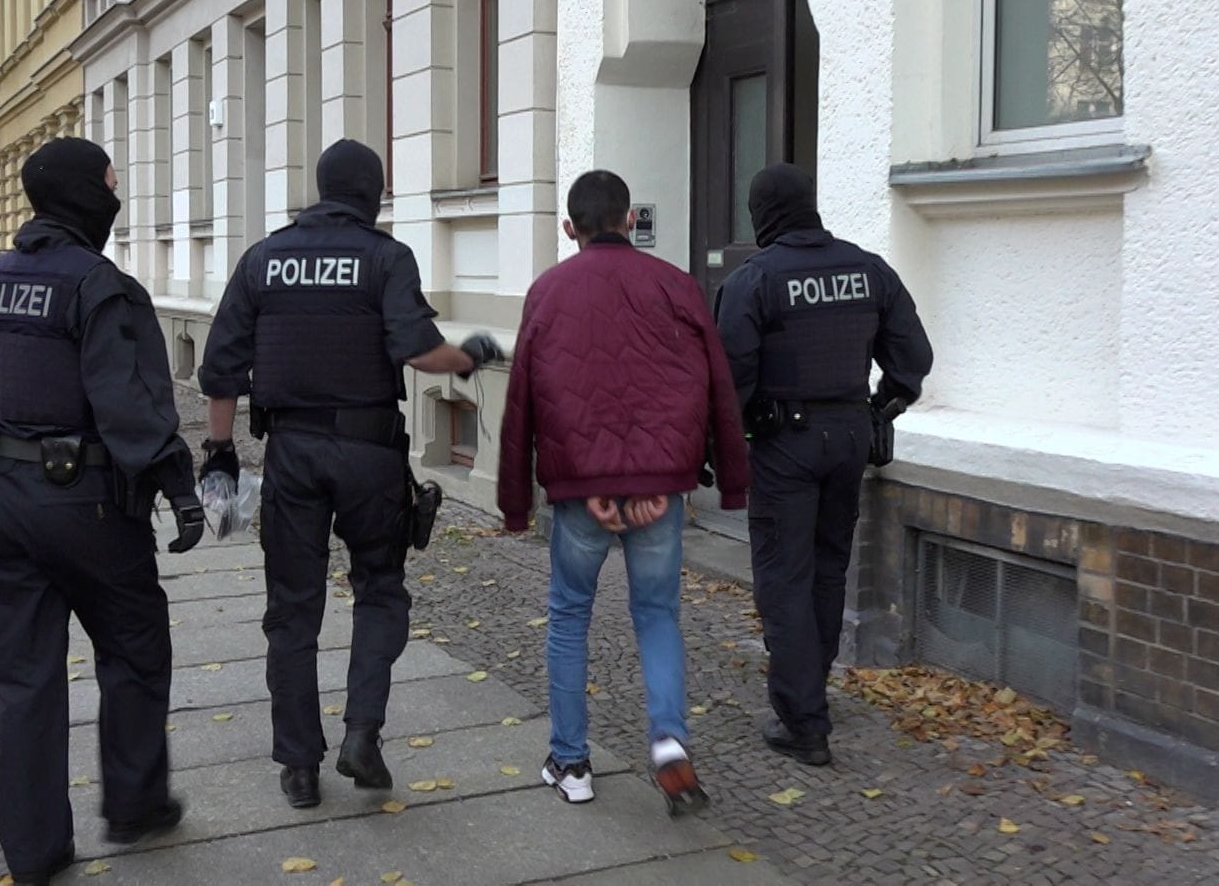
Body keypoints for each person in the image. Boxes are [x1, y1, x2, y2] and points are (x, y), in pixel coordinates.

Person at [197, 138, 502, 811]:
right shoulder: (384, 257)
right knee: (381, 590)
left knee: (293, 612)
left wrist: (219, 451)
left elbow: (220, 367)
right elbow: (418, 349)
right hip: (369, 453)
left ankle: (300, 767)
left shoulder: (264, 258)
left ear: (320, 185)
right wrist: (469, 357)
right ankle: (362, 733)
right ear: (372, 192)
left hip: (293, 453)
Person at [0, 138, 205, 885]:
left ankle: (33, 851)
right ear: (81, 194)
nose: (116, 197)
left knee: (24, 681)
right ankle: (133, 803)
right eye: (109, 185)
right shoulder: (101, 286)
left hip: (3, 506)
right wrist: (177, 485)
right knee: (134, 649)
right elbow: (131, 404)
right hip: (89, 508)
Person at [496, 169, 750, 816]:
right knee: (658, 614)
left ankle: (571, 762)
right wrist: (700, 474)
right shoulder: (675, 285)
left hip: (581, 490)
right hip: (658, 492)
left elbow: (529, 395)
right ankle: (668, 741)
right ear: (629, 217)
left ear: (569, 227)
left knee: (569, 615)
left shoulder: (548, 292)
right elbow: (706, 384)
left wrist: (518, 500)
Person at [714, 162, 933, 767]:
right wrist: (883, 405)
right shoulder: (868, 270)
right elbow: (914, 356)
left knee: (784, 577)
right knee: (829, 568)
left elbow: (727, 381)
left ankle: (804, 721)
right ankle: (814, 689)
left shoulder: (754, 279)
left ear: (762, 214)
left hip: (784, 444)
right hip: (849, 437)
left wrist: (716, 451)